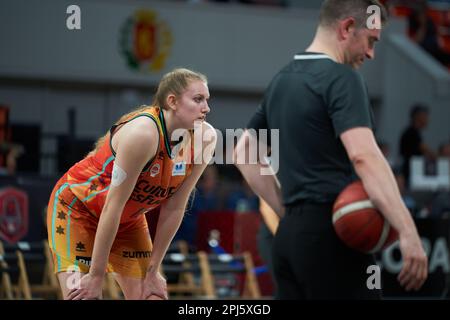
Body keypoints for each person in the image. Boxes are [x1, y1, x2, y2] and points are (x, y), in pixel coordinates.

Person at [235, 0, 427, 299]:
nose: (371, 53)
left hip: (288, 242)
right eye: (370, 41)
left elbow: (243, 152)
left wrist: (287, 213)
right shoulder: (343, 78)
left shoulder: (281, 80)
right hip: (335, 236)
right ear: (348, 28)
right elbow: (364, 157)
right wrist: (408, 231)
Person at [47, 68, 217, 300]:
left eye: (207, 100)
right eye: (198, 99)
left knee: (151, 295)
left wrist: (153, 270)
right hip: (78, 209)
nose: (206, 108)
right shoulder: (143, 134)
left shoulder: (205, 139)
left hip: (126, 219)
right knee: (83, 296)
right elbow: (112, 206)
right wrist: (96, 276)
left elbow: (175, 207)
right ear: (172, 101)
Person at [399, 104, 435, 186]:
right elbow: (426, 150)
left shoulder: (415, 133)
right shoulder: (411, 133)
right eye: (425, 116)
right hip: (410, 173)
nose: (427, 119)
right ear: (417, 117)